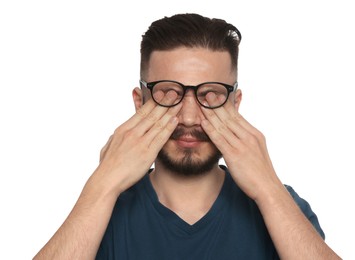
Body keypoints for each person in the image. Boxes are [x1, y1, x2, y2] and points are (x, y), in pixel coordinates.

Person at [33, 13, 341, 260]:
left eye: (210, 95)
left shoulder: (282, 205)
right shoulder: (103, 207)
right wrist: (102, 184)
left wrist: (269, 190)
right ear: (140, 103)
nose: (190, 117)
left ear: (235, 105)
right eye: (169, 93)